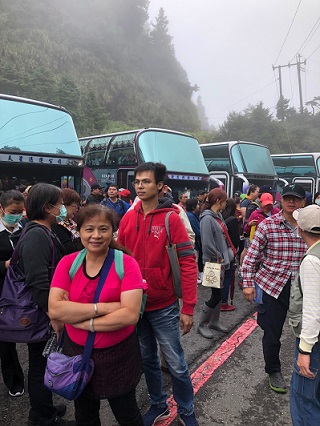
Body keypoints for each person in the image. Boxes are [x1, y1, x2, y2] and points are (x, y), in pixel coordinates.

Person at [49, 204, 146, 426]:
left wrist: (82, 321)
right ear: (79, 231)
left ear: (112, 231)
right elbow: (55, 309)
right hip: (77, 353)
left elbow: (130, 315)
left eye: (103, 229)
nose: (96, 236)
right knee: (85, 415)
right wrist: (104, 308)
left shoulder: (126, 264)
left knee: (127, 414)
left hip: (118, 357)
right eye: (89, 229)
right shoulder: (68, 263)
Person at [117, 162, 198, 426]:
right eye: (137, 181)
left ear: (160, 186)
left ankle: (186, 411)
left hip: (164, 306)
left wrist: (188, 308)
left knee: (175, 363)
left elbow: (187, 261)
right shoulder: (128, 218)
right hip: (135, 306)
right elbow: (120, 259)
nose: (140, 186)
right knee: (147, 360)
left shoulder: (170, 218)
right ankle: (159, 405)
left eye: (146, 182)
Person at [241, 184, 307, 394]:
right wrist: (248, 284)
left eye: (296, 198)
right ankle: (273, 370)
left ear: (303, 202)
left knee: (307, 331)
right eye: (287, 197)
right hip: (272, 287)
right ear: (281, 200)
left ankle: (306, 367)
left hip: (301, 288)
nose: (291, 202)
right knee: (272, 333)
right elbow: (250, 259)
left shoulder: (309, 227)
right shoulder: (267, 226)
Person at [19, 183, 73, 426]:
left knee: (44, 360)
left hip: (46, 309)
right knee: (40, 363)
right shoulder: (35, 236)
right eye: (59, 204)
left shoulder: (44, 230)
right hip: (40, 311)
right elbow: (38, 282)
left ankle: (42, 409)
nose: (62, 208)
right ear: (47, 207)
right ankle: (43, 417)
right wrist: (53, 314)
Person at [287, 205, 320, 425]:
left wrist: (304, 349)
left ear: (300, 230)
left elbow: (313, 310)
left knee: (304, 399)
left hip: (315, 342)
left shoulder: (312, 260)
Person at [197, 189, 236, 339]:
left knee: (219, 293)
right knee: (216, 294)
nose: (226, 203)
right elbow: (207, 243)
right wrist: (219, 256)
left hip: (220, 261)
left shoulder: (217, 215)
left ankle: (214, 321)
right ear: (218, 201)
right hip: (213, 262)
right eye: (225, 200)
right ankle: (202, 324)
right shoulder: (207, 218)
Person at [0, 190, 25, 397]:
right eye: (11, 212)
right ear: (2, 210)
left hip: (22, 291)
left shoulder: (24, 228)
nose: (15, 216)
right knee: (5, 340)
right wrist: (5, 265)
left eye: (19, 212)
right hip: (2, 292)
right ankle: (14, 381)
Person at [221, 198, 240, 310]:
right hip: (229, 251)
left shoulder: (221, 218)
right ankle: (224, 302)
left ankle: (219, 301)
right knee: (228, 277)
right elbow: (235, 239)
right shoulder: (232, 220)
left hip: (220, 250)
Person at [52, 188, 83, 254]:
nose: (76, 209)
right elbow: (70, 249)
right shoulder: (57, 225)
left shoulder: (71, 222)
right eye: (74, 206)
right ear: (64, 205)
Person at [185, 198, 202, 283]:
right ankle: (194, 278)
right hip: (193, 243)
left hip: (195, 242)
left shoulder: (191, 215)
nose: (199, 206)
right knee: (194, 259)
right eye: (197, 204)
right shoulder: (190, 216)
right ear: (193, 206)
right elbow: (196, 230)